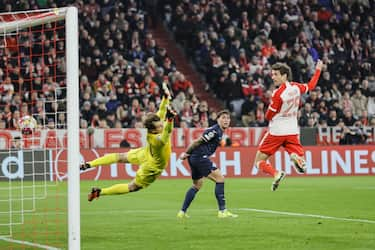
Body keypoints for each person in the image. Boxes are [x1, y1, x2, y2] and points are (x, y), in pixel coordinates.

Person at [81, 83, 177, 201]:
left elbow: (162, 111)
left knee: (120, 157)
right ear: (153, 129)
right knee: (133, 187)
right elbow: (165, 135)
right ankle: (100, 191)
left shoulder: (155, 123)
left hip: (145, 153)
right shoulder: (156, 141)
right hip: (152, 166)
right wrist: (170, 120)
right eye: (159, 126)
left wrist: (165, 97)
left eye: (161, 124)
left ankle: (89, 164)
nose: (161, 125)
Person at [254, 60, 324, 191]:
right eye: (272, 74)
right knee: (298, 157)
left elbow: (268, 116)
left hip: (277, 131)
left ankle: (276, 173)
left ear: (284, 75)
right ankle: (296, 157)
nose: (273, 77)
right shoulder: (296, 87)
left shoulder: (278, 94)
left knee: (258, 162)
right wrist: (318, 69)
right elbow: (311, 85)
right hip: (292, 131)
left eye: (275, 74)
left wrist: (268, 113)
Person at [177, 109, 238, 218]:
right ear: (217, 120)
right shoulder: (214, 131)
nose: (226, 120)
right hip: (200, 157)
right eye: (223, 118)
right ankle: (222, 211)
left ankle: (182, 212)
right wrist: (186, 153)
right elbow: (197, 141)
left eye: (228, 118)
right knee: (220, 179)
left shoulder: (219, 132)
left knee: (197, 185)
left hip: (195, 158)